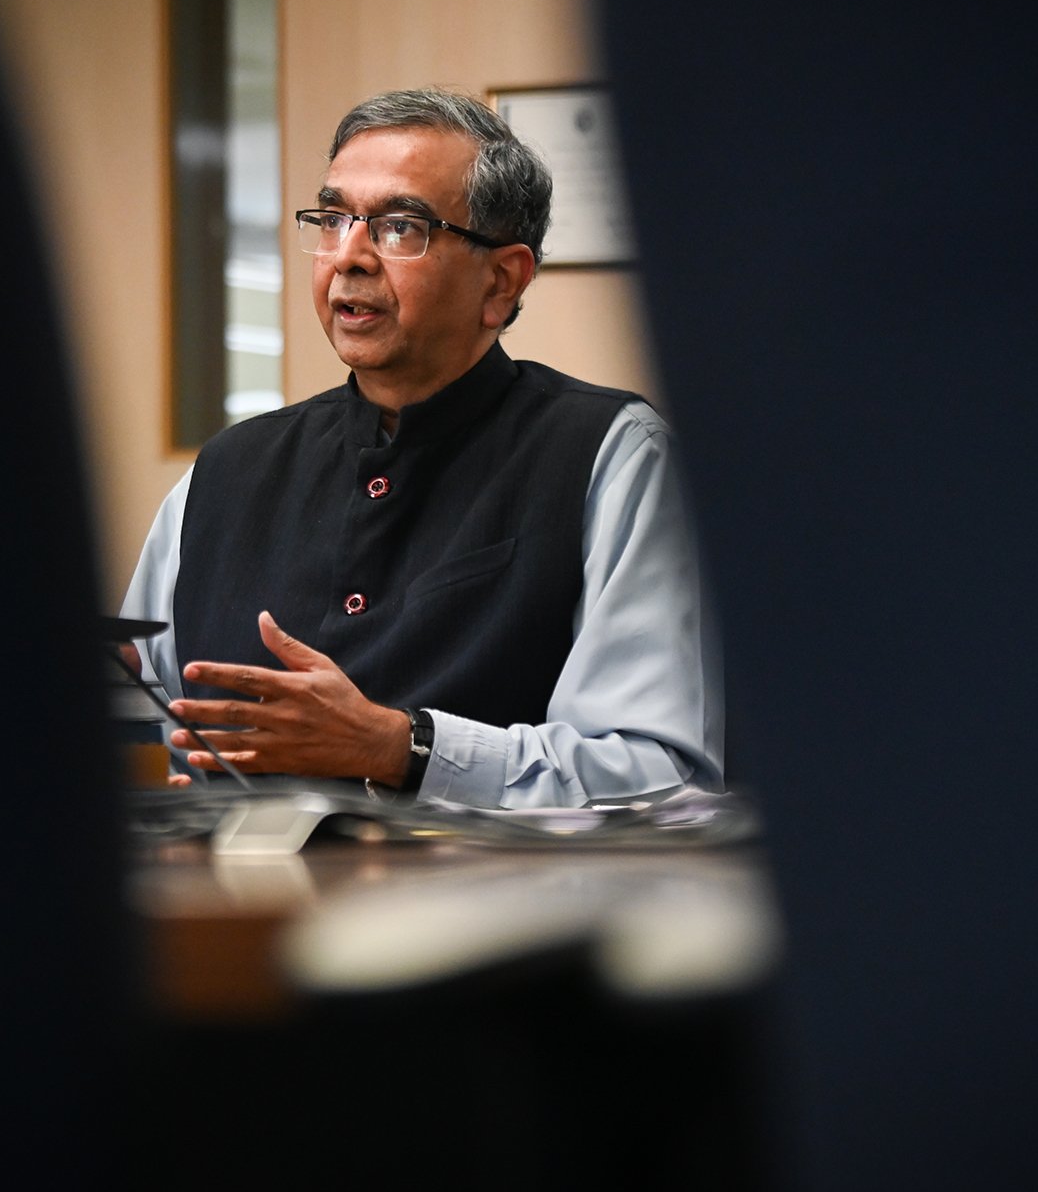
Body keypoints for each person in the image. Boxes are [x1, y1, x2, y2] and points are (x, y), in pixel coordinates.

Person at [120, 87, 721, 808]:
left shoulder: (611, 455)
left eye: (399, 227)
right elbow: (136, 719)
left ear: (501, 281)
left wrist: (405, 747)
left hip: (488, 911)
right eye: (334, 218)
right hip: (241, 911)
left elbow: (662, 774)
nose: (349, 257)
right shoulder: (222, 473)